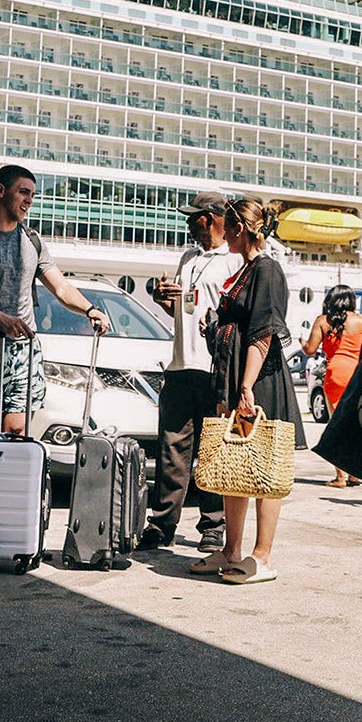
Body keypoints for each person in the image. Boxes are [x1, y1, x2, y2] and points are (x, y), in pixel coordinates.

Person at [0, 165, 110, 554]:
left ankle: (2, 525)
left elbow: (59, 285)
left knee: (17, 437)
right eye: (22, 192)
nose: (29, 199)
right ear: (0, 190)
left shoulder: (32, 240)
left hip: (22, 351)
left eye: (32, 193)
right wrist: (0, 320)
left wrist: (90, 308)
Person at [190, 198, 304, 585]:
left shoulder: (267, 270)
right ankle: (231, 549)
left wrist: (245, 387)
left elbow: (264, 334)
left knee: (264, 466)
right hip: (241, 378)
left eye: (228, 226)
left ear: (239, 228)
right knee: (235, 464)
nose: (222, 232)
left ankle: (263, 555)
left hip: (259, 382)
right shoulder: (246, 269)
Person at [137, 191, 242, 553]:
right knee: (172, 448)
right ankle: (162, 523)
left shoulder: (233, 260)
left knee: (213, 449)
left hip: (215, 368)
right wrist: (164, 300)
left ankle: (213, 525)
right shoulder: (188, 258)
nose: (187, 223)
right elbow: (182, 313)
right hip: (180, 365)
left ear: (212, 218)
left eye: (193, 217)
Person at [304, 285, 362, 492]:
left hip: (335, 373)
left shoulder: (323, 321)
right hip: (357, 373)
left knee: (336, 426)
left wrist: (302, 342)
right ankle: (354, 474)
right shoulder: (361, 321)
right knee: (355, 425)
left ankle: (340, 476)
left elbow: (310, 350)